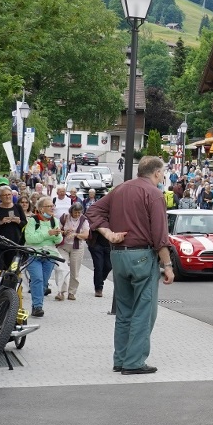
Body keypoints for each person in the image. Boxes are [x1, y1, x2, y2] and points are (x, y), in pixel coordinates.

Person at [85, 156, 174, 376]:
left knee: (124, 311)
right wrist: (168, 265)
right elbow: (159, 235)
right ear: (155, 173)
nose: (162, 176)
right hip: (142, 256)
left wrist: (108, 233)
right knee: (144, 311)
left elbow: (93, 211)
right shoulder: (154, 194)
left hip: (118, 256)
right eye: (162, 173)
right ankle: (134, 362)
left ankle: (121, 359)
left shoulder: (120, 189)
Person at [24, 196, 63, 317]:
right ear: (41, 209)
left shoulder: (54, 221)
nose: (52, 208)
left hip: (50, 255)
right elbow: (30, 238)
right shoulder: (33, 221)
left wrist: (56, 235)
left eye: (53, 206)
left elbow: (58, 240)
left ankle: (36, 304)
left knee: (44, 283)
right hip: (34, 254)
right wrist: (48, 233)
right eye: (49, 206)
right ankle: (37, 307)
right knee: (38, 279)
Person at [57, 201, 89, 301]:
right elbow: (58, 231)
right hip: (64, 246)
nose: (77, 214)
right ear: (71, 211)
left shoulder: (84, 220)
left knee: (74, 271)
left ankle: (71, 292)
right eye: (75, 212)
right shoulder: (64, 218)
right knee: (62, 268)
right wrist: (65, 232)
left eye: (79, 212)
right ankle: (61, 292)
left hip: (77, 247)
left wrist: (75, 234)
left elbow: (86, 235)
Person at [88, 222, 113, 299]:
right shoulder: (97, 216)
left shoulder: (113, 216)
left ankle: (100, 279)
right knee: (99, 266)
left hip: (109, 245)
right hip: (96, 244)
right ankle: (98, 288)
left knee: (109, 266)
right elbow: (91, 226)